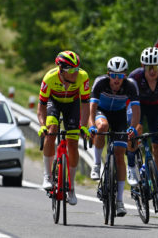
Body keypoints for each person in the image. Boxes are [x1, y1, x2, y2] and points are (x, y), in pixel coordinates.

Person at [87, 56, 139, 217]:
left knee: (119, 155)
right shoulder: (100, 83)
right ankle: (96, 164)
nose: (117, 80)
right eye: (114, 76)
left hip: (119, 116)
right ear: (108, 74)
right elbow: (92, 110)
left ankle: (119, 201)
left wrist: (133, 128)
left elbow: (136, 111)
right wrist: (92, 127)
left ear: (125, 75)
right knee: (102, 126)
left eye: (121, 76)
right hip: (101, 112)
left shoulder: (130, 86)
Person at [37, 50, 91, 206]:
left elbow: (85, 104)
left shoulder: (83, 77)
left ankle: (71, 187)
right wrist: (42, 126)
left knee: (73, 144)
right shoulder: (49, 78)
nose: (76, 73)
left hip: (72, 105)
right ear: (61, 70)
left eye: (77, 69)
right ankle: (47, 176)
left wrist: (84, 126)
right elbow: (41, 108)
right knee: (52, 130)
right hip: (53, 103)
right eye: (71, 70)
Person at [126, 46, 158, 187]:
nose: (152, 71)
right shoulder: (134, 77)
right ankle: (131, 166)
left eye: (155, 66)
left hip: (156, 107)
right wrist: (133, 125)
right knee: (136, 130)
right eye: (149, 67)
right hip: (137, 106)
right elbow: (128, 103)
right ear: (143, 66)